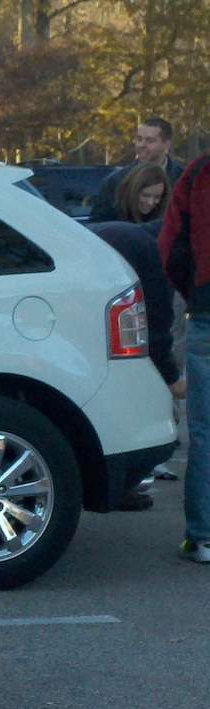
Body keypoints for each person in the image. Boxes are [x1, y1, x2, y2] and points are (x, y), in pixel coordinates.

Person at [90, 219, 182, 509]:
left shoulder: (128, 234)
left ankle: (120, 485)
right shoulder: (153, 253)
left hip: (86, 321)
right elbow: (157, 322)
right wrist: (170, 378)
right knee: (146, 418)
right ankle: (121, 486)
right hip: (106, 332)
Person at [158, 149, 210, 562]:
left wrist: (193, 291)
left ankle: (202, 535)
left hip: (207, 310)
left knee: (205, 432)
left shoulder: (197, 172)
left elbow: (171, 243)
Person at [89, 117, 184, 222]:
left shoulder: (186, 180)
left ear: (166, 144)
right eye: (139, 139)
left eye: (150, 140)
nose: (142, 145)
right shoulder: (115, 182)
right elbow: (98, 227)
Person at [97, 160, 172, 226]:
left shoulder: (163, 220)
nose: (150, 202)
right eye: (145, 195)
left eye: (157, 197)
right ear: (133, 191)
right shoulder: (110, 213)